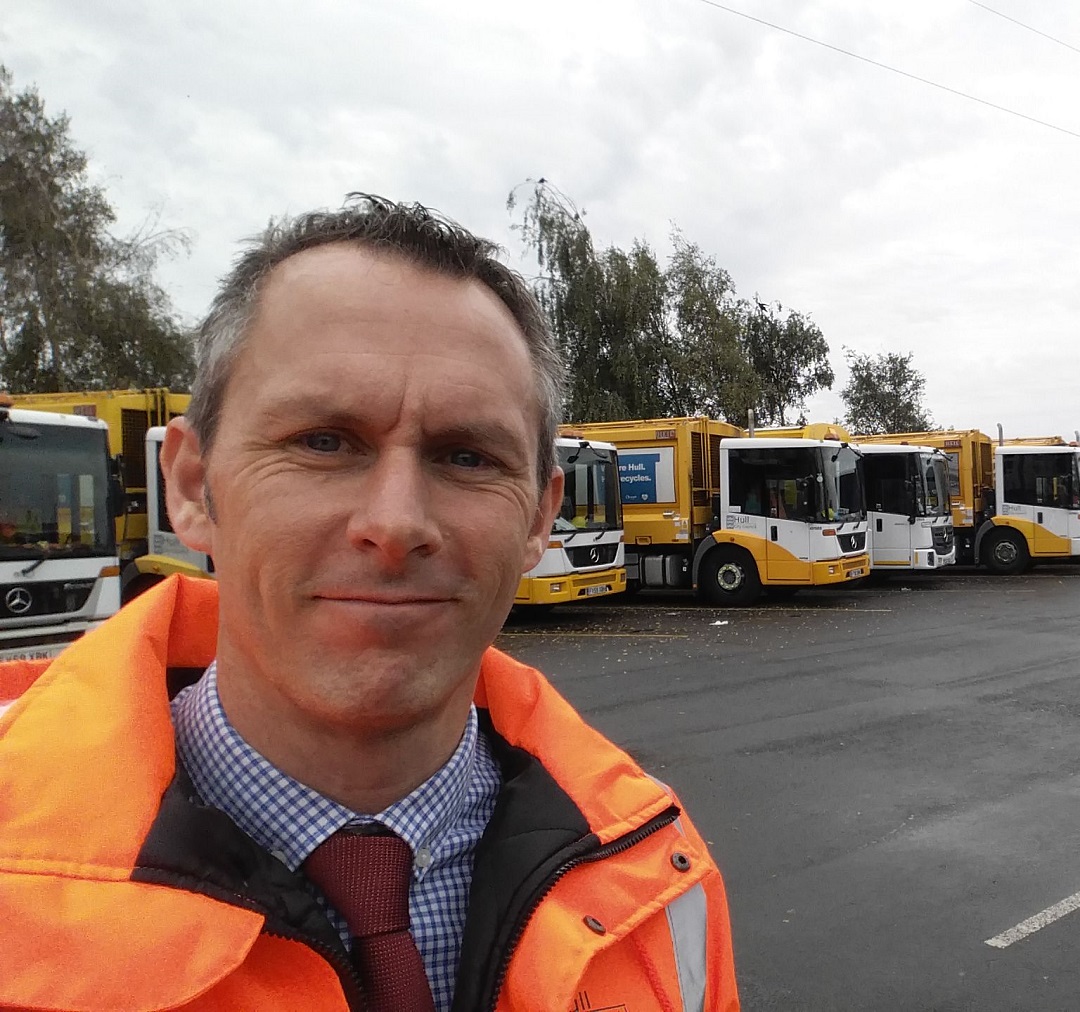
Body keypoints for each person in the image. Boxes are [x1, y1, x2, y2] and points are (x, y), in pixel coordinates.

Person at [0, 195, 739, 1012]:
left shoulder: (665, 884)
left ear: (537, 516)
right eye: (323, 442)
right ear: (191, 487)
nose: (395, 524)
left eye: (466, 456)